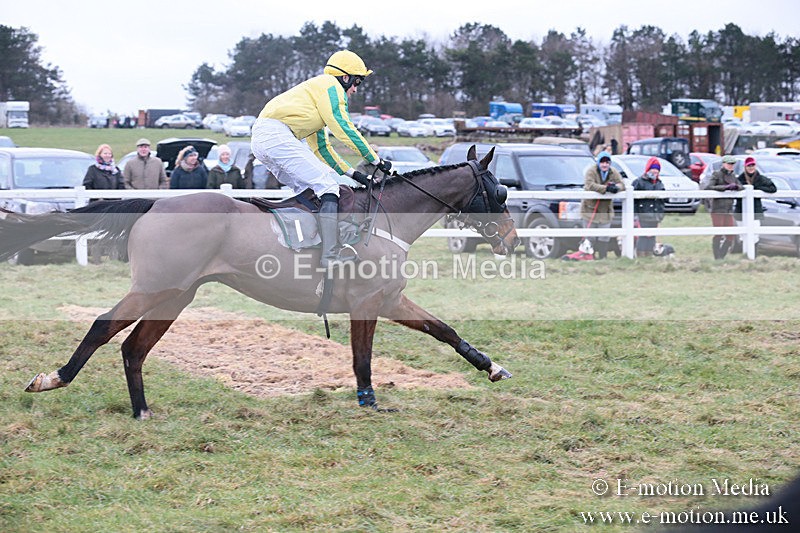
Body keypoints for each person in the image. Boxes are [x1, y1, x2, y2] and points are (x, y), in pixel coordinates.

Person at [250, 49, 392, 269]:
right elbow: (344, 127)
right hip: (277, 136)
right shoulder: (332, 87)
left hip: (266, 139)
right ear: (345, 77)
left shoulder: (315, 97)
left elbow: (322, 149)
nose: (354, 89)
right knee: (327, 187)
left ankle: (306, 242)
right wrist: (375, 160)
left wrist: (355, 174)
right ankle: (329, 255)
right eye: (357, 82)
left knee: (310, 188)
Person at [83, 144, 124, 263]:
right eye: (104, 153)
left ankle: (114, 260)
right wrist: (97, 198)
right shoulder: (93, 169)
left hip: (113, 207)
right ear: (99, 154)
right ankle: (96, 260)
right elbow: (87, 184)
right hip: (98, 206)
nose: (107, 155)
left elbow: (121, 186)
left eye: (109, 153)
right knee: (97, 233)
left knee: (113, 233)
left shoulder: (115, 170)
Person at [582, 150, 625, 259]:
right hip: (590, 209)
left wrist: (616, 188)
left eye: (607, 162)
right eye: (602, 162)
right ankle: (590, 257)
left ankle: (603, 258)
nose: (605, 165)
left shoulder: (613, 172)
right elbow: (590, 185)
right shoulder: (591, 171)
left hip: (605, 210)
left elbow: (621, 184)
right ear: (598, 163)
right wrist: (606, 188)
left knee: (604, 236)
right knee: (590, 236)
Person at [734, 156, 776, 254]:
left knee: (755, 233)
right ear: (745, 167)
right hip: (741, 210)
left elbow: (773, 188)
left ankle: (754, 254)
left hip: (755, 210)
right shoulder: (740, 179)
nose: (751, 167)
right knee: (743, 234)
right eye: (749, 165)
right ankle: (746, 254)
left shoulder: (760, 178)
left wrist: (757, 189)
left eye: (752, 165)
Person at [703, 154, 741, 259]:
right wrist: (725, 187)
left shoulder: (733, 176)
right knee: (718, 233)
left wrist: (736, 187)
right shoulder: (716, 174)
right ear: (723, 164)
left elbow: (741, 186)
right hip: (718, 208)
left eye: (732, 164)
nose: (731, 166)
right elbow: (709, 187)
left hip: (728, 209)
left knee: (730, 235)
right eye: (729, 164)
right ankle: (717, 256)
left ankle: (721, 256)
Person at [631, 157, 666, 257]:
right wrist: (635, 215)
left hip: (655, 215)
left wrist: (660, 214)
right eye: (653, 168)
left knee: (652, 237)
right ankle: (641, 256)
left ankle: (649, 255)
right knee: (643, 237)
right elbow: (633, 201)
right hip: (643, 214)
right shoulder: (639, 182)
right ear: (648, 169)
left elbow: (662, 201)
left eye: (657, 169)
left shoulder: (660, 183)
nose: (655, 171)